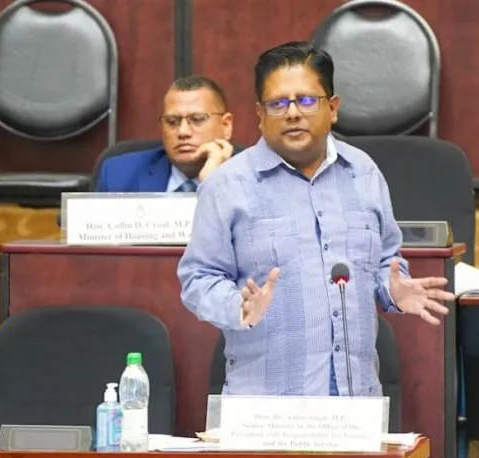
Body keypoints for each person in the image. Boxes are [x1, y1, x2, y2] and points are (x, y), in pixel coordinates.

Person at [177, 41, 455, 396]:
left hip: (355, 398)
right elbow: (198, 279)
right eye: (278, 104)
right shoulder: (227, 185)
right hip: (266, 404)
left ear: (333, 108)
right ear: (259, 114)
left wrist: (392, 290)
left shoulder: (363, 173)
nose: (293, 113)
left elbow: (386, 260)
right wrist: (237, 306)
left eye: (307, 100)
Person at [95, 75, 237, 192]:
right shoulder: (118, 175)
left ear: (226, 126)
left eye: (197, 119)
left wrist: (213, 184)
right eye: (172, 121)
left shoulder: (249, 180)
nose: (183, 132)